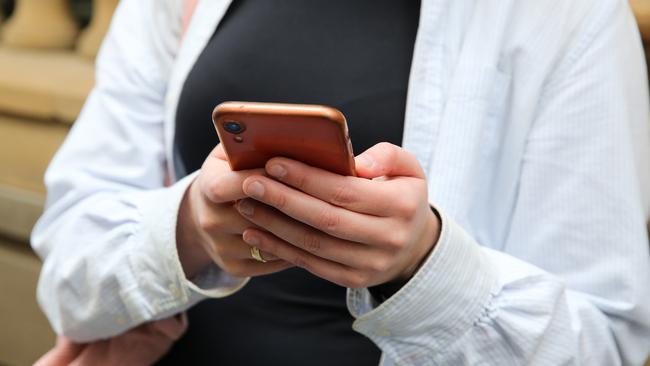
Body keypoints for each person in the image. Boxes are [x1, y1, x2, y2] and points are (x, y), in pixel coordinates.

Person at [31, 0, 650, 365]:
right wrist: (189, 227)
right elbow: (68, 262)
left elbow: (605, 342)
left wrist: (423, 267)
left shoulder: (569, 18)